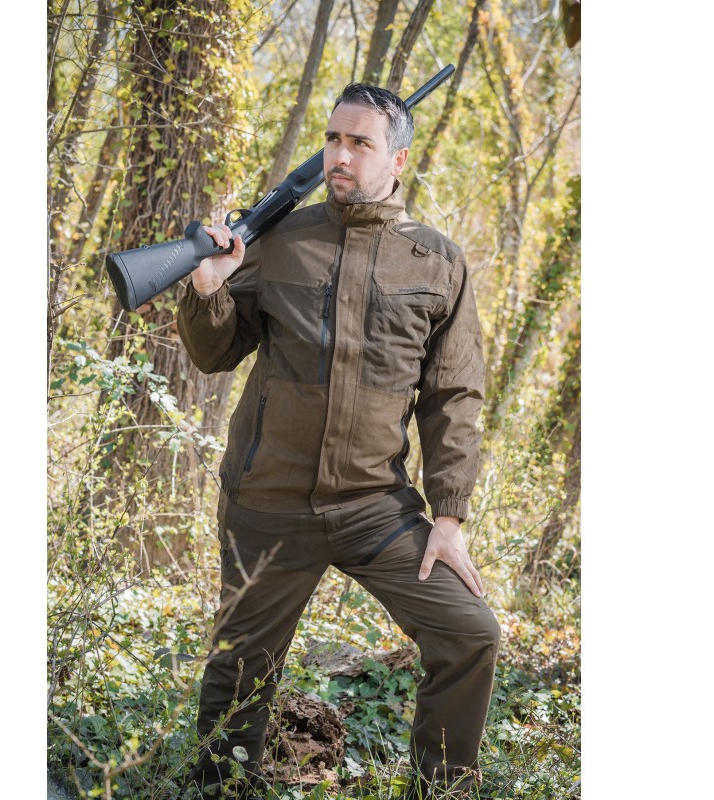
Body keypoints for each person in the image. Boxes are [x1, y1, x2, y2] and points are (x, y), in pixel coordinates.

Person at [176, 82, 501, 799]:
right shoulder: (279, 241)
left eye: (360, 142)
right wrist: (208, 288)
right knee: (240, 672)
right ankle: (219, 789)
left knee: (470, 633)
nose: (341, 155)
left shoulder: (437, 262)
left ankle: (442, 790)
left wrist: (449, 518)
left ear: (398, 159)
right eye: (332, 139)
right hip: (269, 501)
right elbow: (214, 353)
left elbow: (453, 397)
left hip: (374, 508)